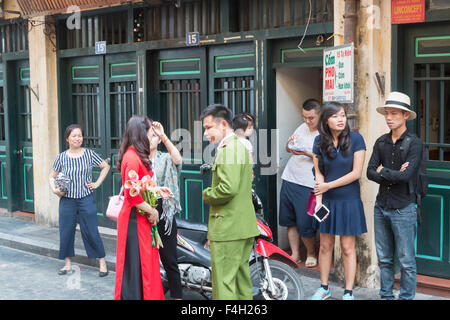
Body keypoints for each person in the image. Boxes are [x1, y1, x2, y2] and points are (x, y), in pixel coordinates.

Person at [367, 91, 422, 300]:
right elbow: (370, 171)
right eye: (387, 113)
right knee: (384, 259)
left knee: (407, 261)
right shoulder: (381, 142)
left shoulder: (413, 143)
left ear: (405, 116)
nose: (389, 117)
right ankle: (386, 296)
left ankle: (406, 297)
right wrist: (393, 174)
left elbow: (406, 176)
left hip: (403, 208)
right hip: (381, 207)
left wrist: (384, 171)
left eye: (395, 114)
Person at [201, 104, 259, 300]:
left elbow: (228, 188)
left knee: (224, 284)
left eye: (209, 127)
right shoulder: (240, 146)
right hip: (242, 226)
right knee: (242, 283)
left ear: (223, 124)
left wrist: (207, 194)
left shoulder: (228, 149)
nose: (206, 132)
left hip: (228, 227)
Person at [311, 102, 367, 300]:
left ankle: (348, 292)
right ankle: (324, 287)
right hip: (327, 201)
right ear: (326, 120)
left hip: (349, 200)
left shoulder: (356, 139)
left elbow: (356, 173)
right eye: (335, 116)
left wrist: (328, 186)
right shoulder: (319, 141)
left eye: (342, 115)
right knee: (325, 246)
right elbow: (318, 174)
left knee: (347, 247)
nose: (341, 119)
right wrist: (319, 200)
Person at [114, 115, 172, 300]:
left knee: (145, 263)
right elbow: (133, 196)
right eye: (148, 132)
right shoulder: (131, 158)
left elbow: (142, 186)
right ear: (140, 133)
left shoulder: (137, 155)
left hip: (140, 217)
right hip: (134, 219)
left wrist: (157, 192)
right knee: (136, 265)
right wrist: (153, 210)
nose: (150, 135)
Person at [49, 124, 110, 277]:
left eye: (80, 135)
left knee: (91, 231)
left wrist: (97, 183)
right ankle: (67, 263)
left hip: (85, 199)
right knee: (66, 232)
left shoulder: (89, 154)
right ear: (67, 139)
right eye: (74, 136)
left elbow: (105, 167)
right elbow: (52, 176)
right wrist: (54, 189)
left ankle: (102, 262)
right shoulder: (61, 157)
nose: (77, 138)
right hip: (67, 201)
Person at [279, 98, 321, 268]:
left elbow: (325, 157)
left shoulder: (325, 133)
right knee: (290, 220)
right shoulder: (302, 127)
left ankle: (311, 252)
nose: (307, 121)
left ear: (320, 115)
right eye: (304, 117)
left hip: (308, 183)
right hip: (290, 178)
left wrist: (307, 153)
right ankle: (295, 253)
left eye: (311, 118)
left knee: (305, 223)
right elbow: (288, 148)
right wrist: (290, 147)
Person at [149, 120, 183, 300]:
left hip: (164, 212)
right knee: (147, 261)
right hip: (144, 211)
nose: (151, 139)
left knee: (170, 260)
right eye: (149, 135)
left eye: (154, 136)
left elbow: (178, 159)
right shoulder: (138, 159)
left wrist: (163, 136)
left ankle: (178, 298)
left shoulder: (164, 158)